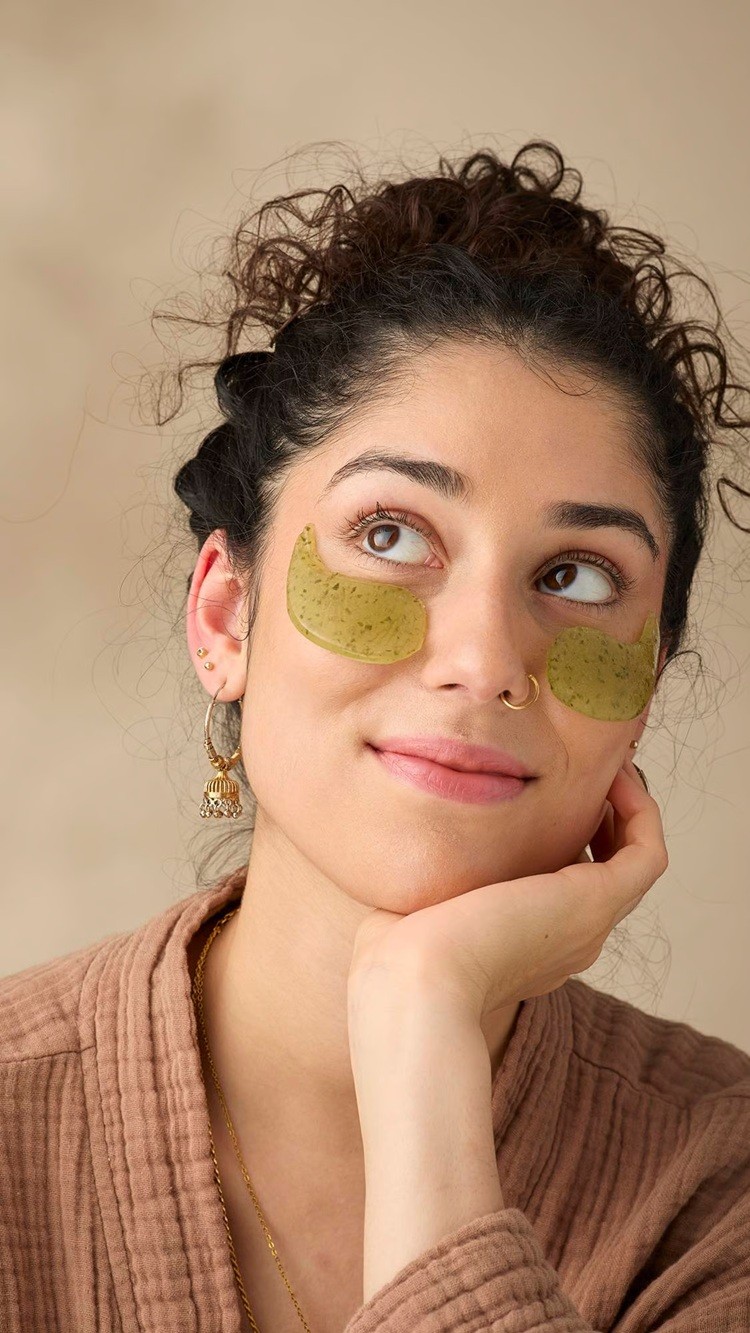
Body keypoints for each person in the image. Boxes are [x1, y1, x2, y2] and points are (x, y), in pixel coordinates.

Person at [2, 138, 749, 1333]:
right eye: (391, 534)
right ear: (226, 616)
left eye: (576, 574)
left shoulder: (722, 1186)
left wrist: (423, 1015)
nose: (485, 660)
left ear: (646, 689)